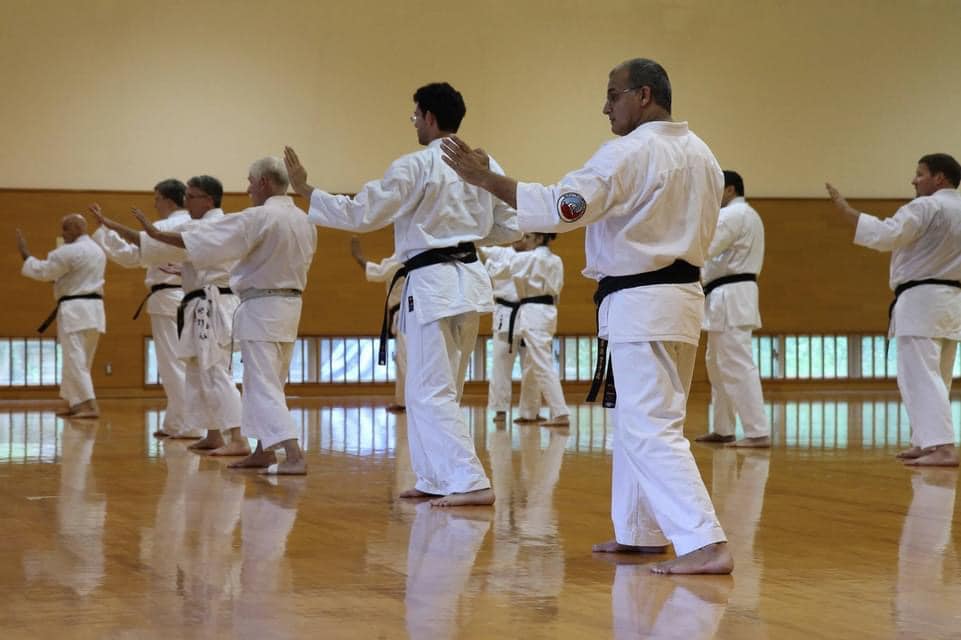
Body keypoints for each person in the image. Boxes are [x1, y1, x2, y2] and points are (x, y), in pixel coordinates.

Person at [441, 58, 733, 573]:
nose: (605, 107)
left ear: (644, 95)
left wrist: (487, 179)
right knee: (638, 421)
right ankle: (639, 532)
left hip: (643, 302)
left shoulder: (630, 152)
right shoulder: (703, 155)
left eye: (613, 95)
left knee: (649, 426)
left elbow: (565, 207)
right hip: (679, 299)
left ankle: (705, 541)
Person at [284, 81, 520, 506]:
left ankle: (470, 481)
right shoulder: (484, 164)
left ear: (429, 116)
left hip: (433, 284)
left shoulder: (417, 165)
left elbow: (362, 213)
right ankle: (434, 477)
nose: (414, 123)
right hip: (468, 280)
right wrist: (466, 235)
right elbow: (512, 225)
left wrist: (306, 190)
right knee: (436, 388)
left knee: (429, 389)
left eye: (415, 115)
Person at [135, 157, 317, 475]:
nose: (248, 189)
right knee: (270, 381)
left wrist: (155, 234)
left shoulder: (259, 216)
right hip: (290, 305)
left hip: (262, 308)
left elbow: (205, 240)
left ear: (263, 182)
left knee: (263, 384)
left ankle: (293, 454)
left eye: (250, 182)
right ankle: (263, 451)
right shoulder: (304, 219)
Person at [92, 176, 250, 456]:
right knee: (198, 371)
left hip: (211, 305)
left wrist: (111, 225)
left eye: (191, 197)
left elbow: (151, 244)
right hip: (200, 300)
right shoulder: (217, 224)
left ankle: (238, 437)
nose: (186, 202)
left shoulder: (203, 226)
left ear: (208, 200)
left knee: (215, 371)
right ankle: (213, 434)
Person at [826, 153, 961, 467]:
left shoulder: (926, 207)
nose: (914, 180)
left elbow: (885, 234)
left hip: (921, 300)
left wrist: (845, 210)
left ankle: (942, 446)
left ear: (939, 178)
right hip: (952, 300)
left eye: (920, 174)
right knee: (938, 375)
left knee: (920, 375)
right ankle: (925, 441)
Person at [93, 179, 189, 437]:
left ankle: (188, 424)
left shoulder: (164, 227)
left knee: (172, 364)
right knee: (189, 362)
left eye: (157, 199)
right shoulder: (196, 224)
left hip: (168, 301)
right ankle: (177, 422)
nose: (154, 204)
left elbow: (130, 256)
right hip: (194, 299)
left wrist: (105, 231)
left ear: (168, 200)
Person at [695, 171, 771, 448]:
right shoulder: (747, 215)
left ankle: (757, 431)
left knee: (736, 362)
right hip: (727, 295)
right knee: (717, 364)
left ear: (729, 190)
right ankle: (723, 428)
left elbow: (705, 248)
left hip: (731, 296)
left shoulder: (733, 215)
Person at [18, 214, 106, 419]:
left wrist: (25, 254)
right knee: (80, 360)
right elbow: (72, 277)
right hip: (94, 311)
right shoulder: (97, 250)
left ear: (76, 228)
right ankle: (75, 403)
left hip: (75, 311)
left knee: (74, 359)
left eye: (65, 229)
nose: (62, 233)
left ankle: (90, 406)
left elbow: (43, 271)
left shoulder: (69, 251)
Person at [510, 232, 570, 426]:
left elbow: (511, 271)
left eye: (528, 237)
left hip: (534, 312)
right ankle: (529, 412)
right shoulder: (556, 260)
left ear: (538, 238)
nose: (524, 240)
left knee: (542, 362)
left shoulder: (529, 258)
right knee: (531, 363)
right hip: (548, 311)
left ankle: (560, 412)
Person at [350, 237, 406, 413]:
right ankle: (406, 401)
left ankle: (407, 402)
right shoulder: (411, 252)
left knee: (405, 359)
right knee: (406, 359)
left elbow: (379, 272)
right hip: (409, 313)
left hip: (406, 314)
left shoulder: (403, 255)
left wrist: (359, 257)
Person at [479, 242, 521, 422]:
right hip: (505, 312)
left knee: (532, 366)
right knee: (500, 363)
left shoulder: (536, 257)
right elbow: (479, 249)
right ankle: (500, 408)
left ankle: (530, 410)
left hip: (528, 312)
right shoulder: (498, 253)